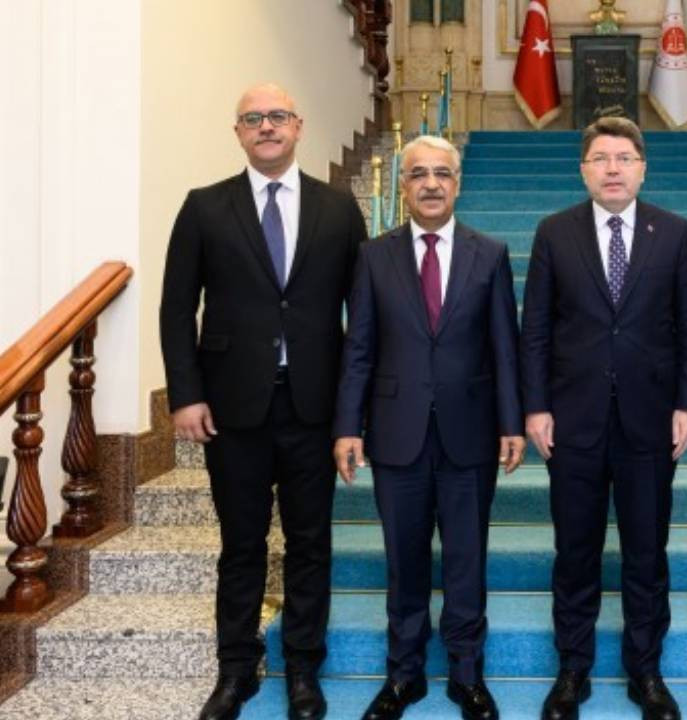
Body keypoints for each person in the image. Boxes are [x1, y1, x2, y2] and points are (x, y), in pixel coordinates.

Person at [159, 83, 367, 720]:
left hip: (313, 407)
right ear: (238, 132)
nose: (266, 126)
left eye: (277, 116)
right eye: (253, 118)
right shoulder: (204, 207)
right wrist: (186, 395)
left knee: (310, 542)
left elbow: (362, 317)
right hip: (231, 409)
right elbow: (176, 308)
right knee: (242, 543)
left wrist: (353, 413)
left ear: (298, 126)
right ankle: (236, 670)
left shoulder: (339, 208)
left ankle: (303, 668)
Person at [521, 116, 687, 720]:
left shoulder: (674, 232)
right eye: (600, 158)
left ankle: (645, 671)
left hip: (649, 421)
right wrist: (535, 406)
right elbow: (536, 330)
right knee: (574, 552)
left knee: (646, 553)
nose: (612, 169)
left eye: (624, 158)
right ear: (583, 170)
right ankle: (572, 670)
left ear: (642, 168)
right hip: (571, 421)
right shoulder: (554, 232)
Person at [332, 134, 524, 720]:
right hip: (396, 433)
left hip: (471, 432)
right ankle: (403, 676)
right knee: (404, 560)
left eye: (442, 173)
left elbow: (505, 347)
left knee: (466, 558)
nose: (432, 184)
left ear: (458, 184)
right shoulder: (373, 256)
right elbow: (359, 347)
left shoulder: (490, 253)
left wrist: (511, 422)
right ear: (404, 185)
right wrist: (348, 426)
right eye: (419, 174)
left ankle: (467, 674)